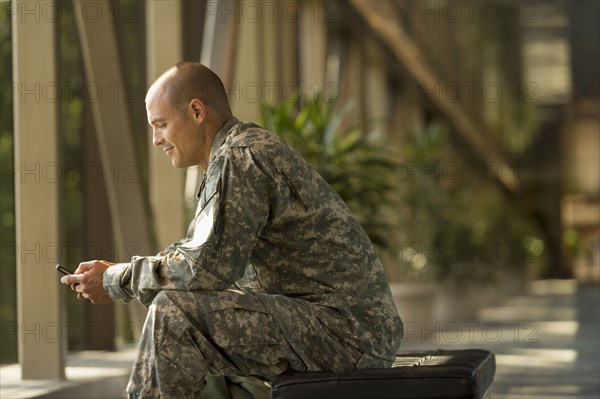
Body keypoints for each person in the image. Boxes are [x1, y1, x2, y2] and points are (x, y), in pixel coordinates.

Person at [61, 62, 403, 399]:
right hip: (340, 329)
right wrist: (118, 275)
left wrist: (115, 279)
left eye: (161, 124)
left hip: (346, 335)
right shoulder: (234, 154)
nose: (156, 139)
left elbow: (204, 269)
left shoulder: (240, 157)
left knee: (175, 315)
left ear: (196, 111)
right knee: (189, 312)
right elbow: (195, 256)